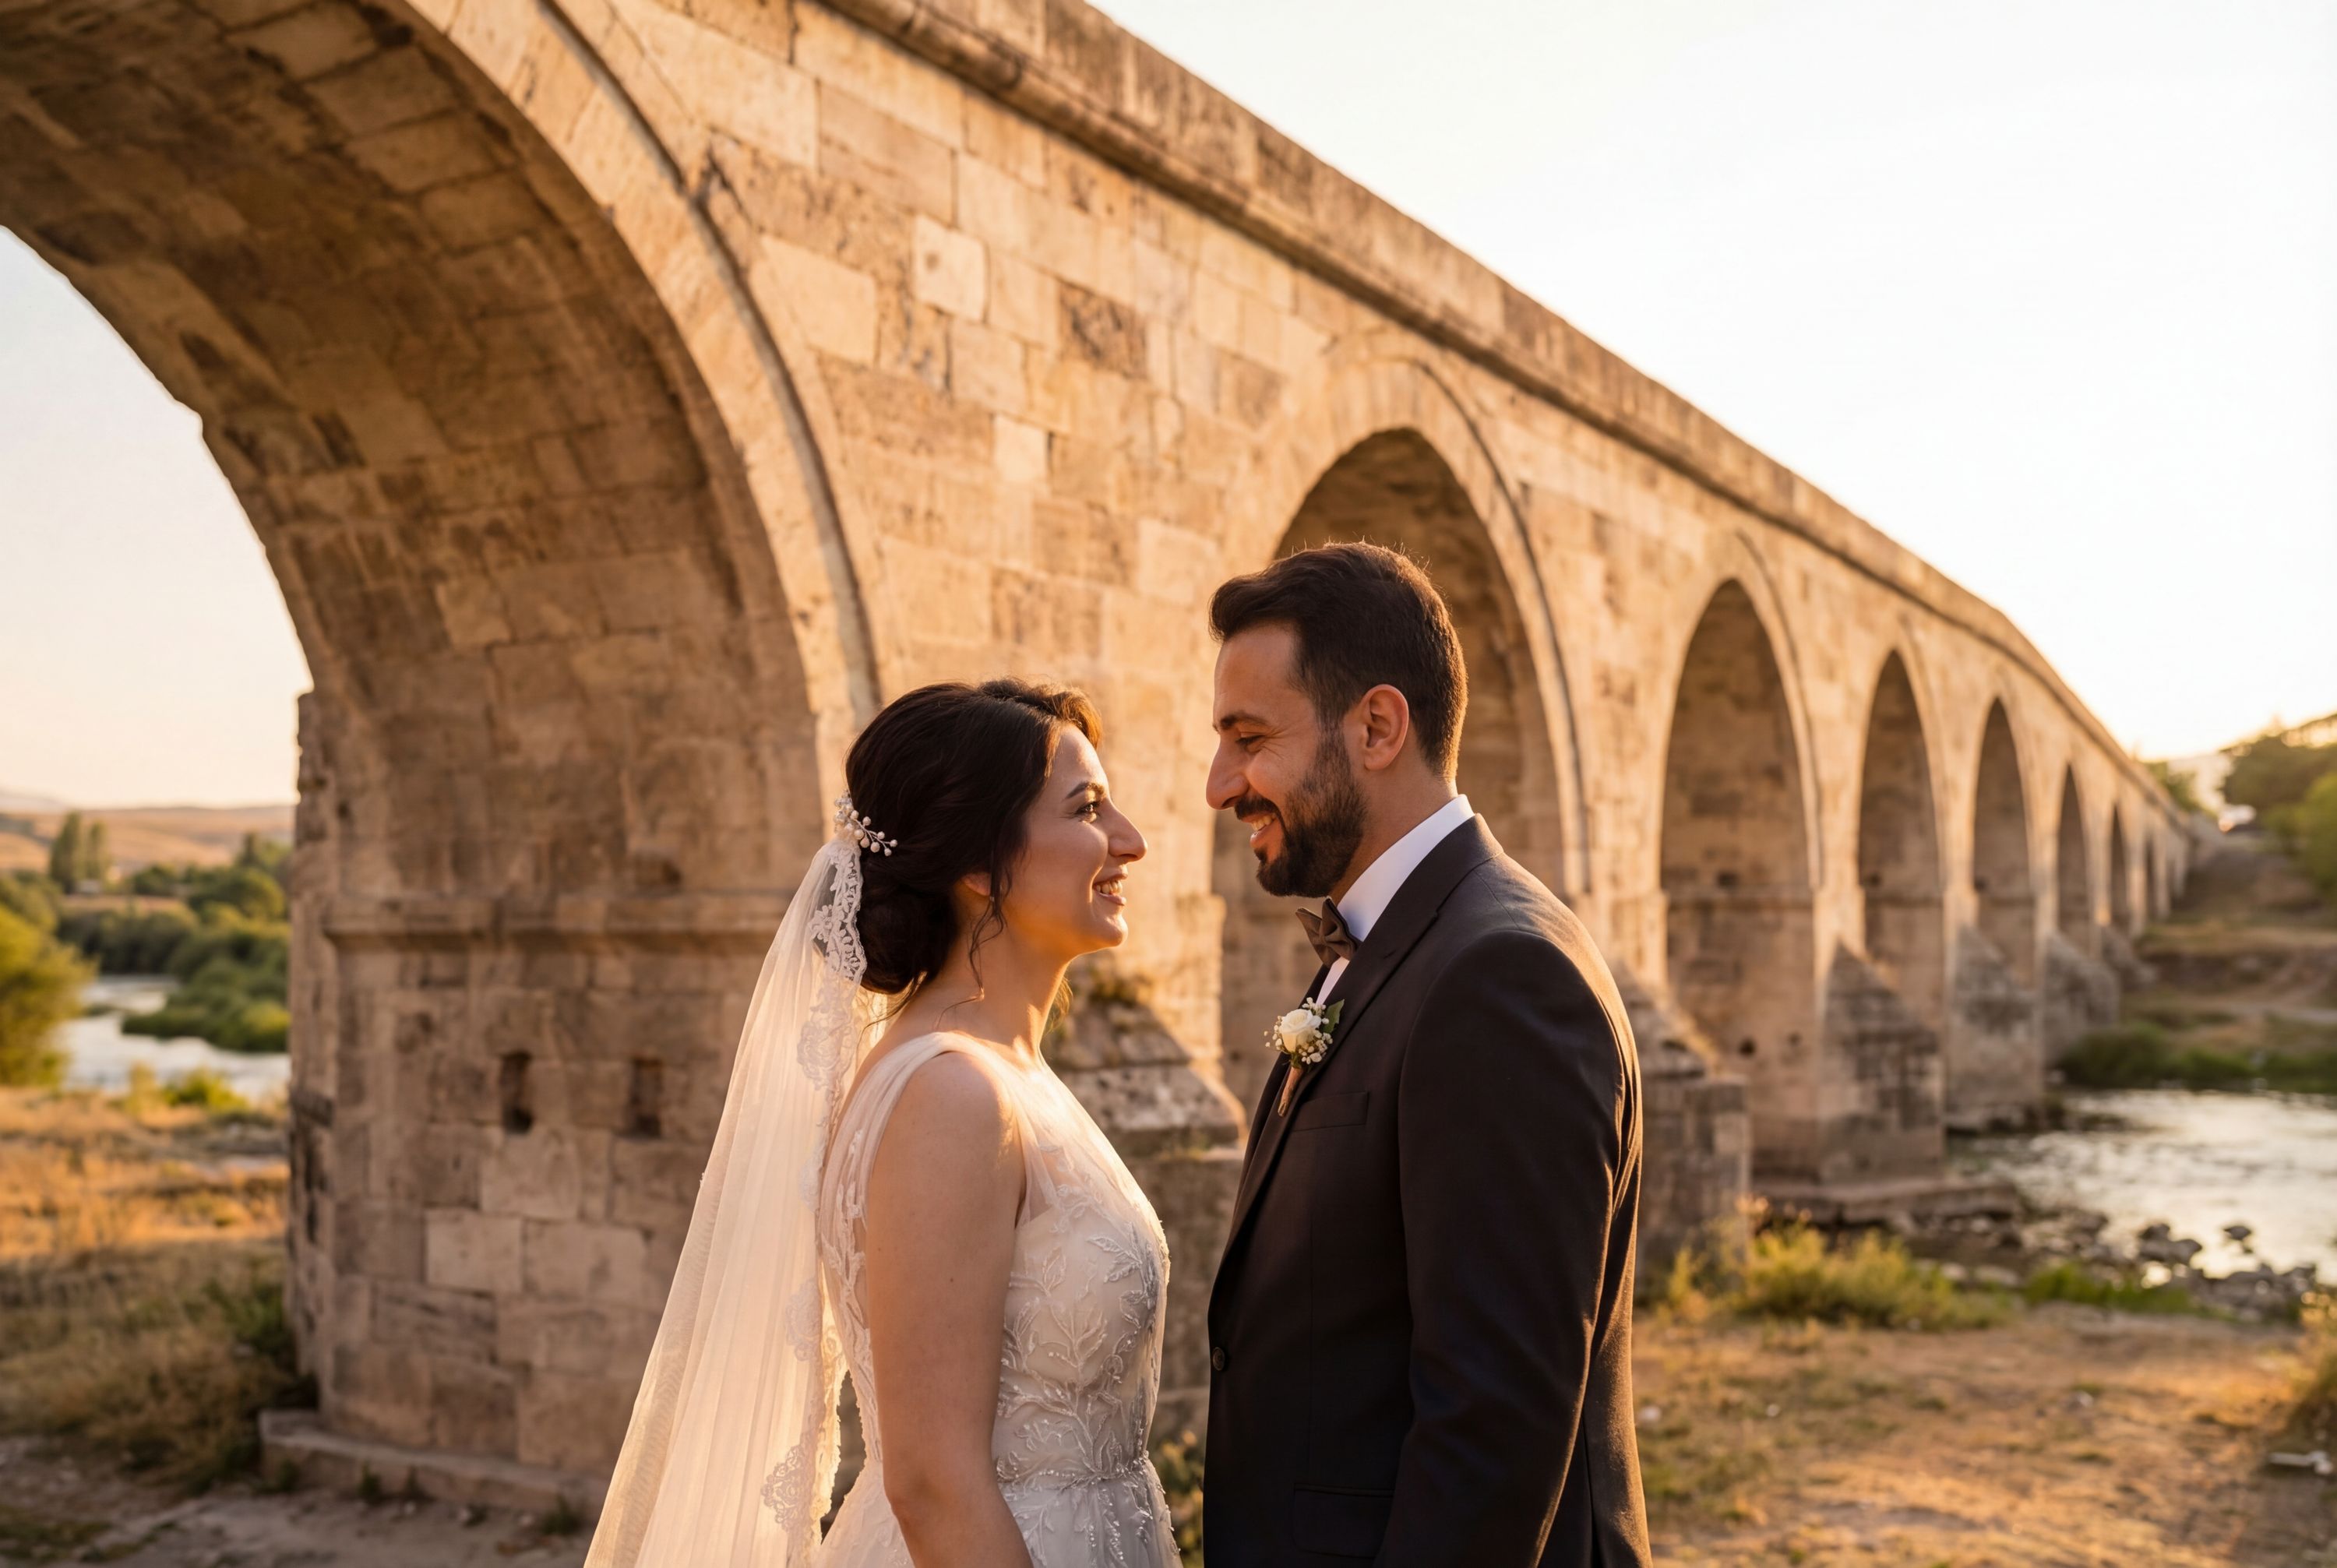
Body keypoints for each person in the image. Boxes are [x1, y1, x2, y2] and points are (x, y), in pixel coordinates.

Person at [585, 679, 1176, 1568]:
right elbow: (933, 1484)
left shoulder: (1006, 1074)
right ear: (980, 866)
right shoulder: (950, 1096)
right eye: (1089, 809)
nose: (1130, 840)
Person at [1202, 542, 1653, 1566]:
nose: (1221, 782)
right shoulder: (1402, 943)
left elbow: (1493, 1428)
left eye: (1250, 736)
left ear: (1377, 726)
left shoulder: (1500, 976)